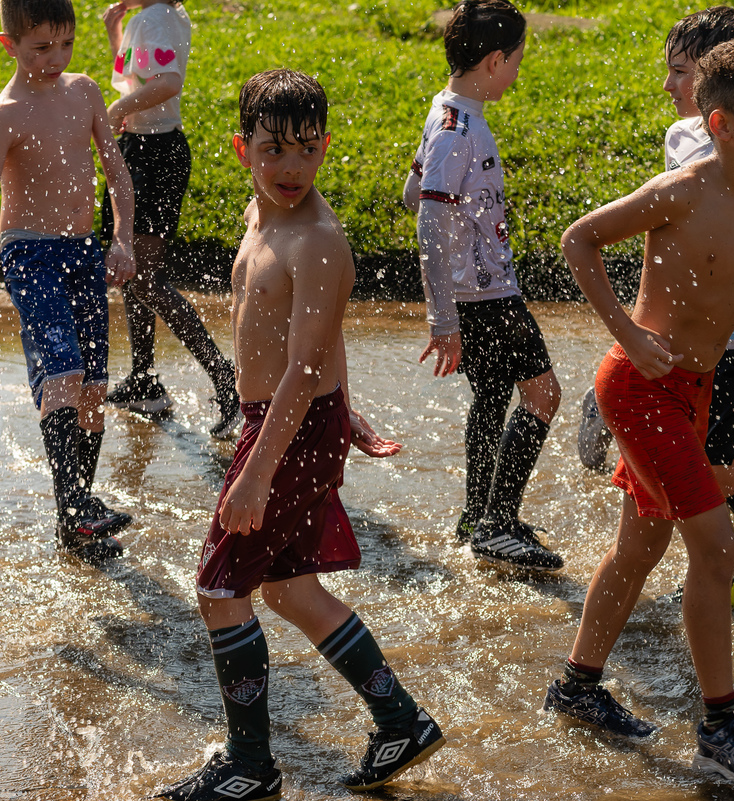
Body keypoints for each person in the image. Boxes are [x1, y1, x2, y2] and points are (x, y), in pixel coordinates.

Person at [152, 69, 444, 801]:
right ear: (241, 148)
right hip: (296, 419)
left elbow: (306, 362)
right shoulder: (262, 216)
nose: (291, 167)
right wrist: (346, 409)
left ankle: (250, 766)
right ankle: (400, 721)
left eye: (307, 150)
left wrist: (256, 473)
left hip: (288, 426)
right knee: (287, 588)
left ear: (325, 147)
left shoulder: (317, 240)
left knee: (220, 589)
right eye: (274, 150)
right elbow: (314, 339)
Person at [545, 38, 734, 785]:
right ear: (721, 123)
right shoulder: (682, 189)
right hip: (639, 385)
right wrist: (628, 332)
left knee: (640, 547)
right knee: (717, 549)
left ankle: (576, 686)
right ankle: (721, 727)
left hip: (692, 390)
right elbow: (578, 240)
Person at [579, 6, 734, 637]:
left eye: (682, 71)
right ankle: (721, 574)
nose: (670, 84)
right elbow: (650, 239)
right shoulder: (683, 141)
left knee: (723, 470)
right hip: (668, 355)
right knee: (692, 488)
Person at [0, 0, 137, 562]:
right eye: (41, 48)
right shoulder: (5, 115)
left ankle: (75, 525)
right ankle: (77, 505)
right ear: (9, 44)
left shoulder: (83, 93)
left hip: (83, 251)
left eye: (67, 44)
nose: (56, 58)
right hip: (29, 254)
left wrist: (123, 238)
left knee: (94, 387)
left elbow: (116, 171)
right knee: (64, 371)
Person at [402, 0, 563, 571]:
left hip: (477, 294)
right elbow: (427, 220)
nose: (517, 72)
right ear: (495, 60)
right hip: (489, 296)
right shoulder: (460, 132)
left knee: (493, 397)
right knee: (543, 396)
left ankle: (478, 516)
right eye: (516, 60)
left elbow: (412, 194)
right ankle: (497, 526)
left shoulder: (445, 112)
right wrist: (442, 318)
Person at [100, 0, 241, 437]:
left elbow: (168, 82)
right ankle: (144, 380)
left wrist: (114, 111)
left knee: (145, 278)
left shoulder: (156, 16)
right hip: (146, 149)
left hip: (154, 154)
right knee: (132, 271)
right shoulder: (158, 16)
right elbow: (140, 76)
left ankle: (225, 378)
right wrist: (115, 33)